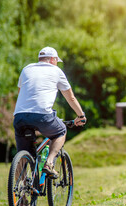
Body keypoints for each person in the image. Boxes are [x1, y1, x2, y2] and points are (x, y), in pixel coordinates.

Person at [13, 46, 86, 179]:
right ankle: (49, 163)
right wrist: (81, 115)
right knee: (61, 131)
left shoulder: (26, 69)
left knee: (23, 156)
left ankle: (20, 197)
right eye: (57, 61)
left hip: (19, 115)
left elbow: (21, 94)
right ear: (53, 59)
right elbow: (71, 98)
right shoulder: (56, 71)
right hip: (42, 115)